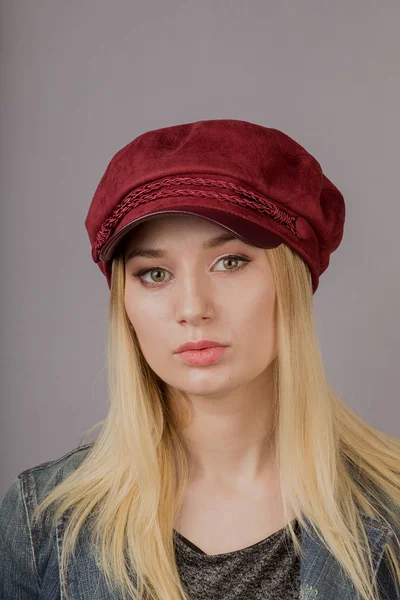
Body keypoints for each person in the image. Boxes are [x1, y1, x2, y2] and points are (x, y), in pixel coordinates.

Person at [0, 118, 399, 600]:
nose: (192, 308)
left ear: (292, 282)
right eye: (154, 273)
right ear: (124, 304)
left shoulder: (390, 507)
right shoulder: (40, 520)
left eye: (229, 262)